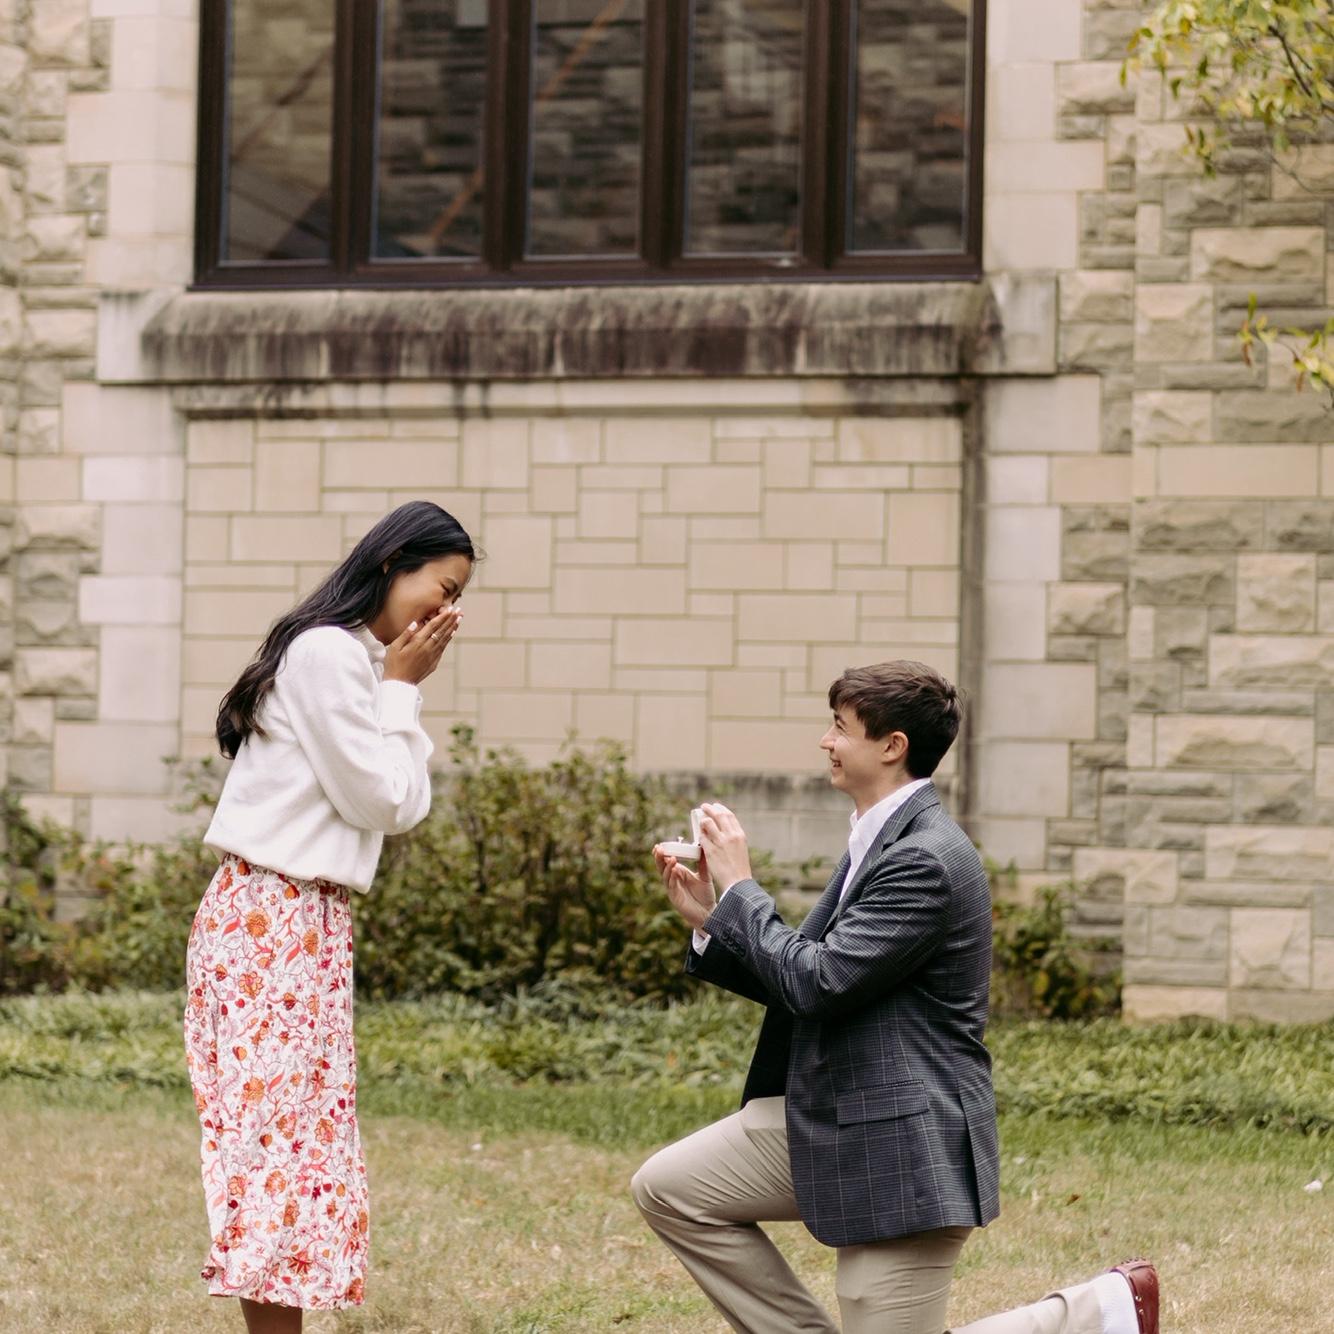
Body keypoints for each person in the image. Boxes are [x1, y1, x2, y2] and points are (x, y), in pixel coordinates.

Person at [634, 660, 1159, 1334]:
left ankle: (1096, 1314)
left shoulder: (926, 858)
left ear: (891, 746)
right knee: (671, 1188)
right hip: (833, 1111)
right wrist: (715, 920)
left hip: (906, 1142)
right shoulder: (877, 841)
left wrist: (741, 890)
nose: (826, 741)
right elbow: (817, 974)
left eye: (839, 726)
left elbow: (817, 983)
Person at [183, 500, 476, 1334]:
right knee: (278, 1150)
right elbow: (382, 797)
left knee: (298, 1150)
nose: (446, 611)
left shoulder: (361, 667)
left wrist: (397, 695)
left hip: (303, 923)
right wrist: (401, 692)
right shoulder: (327, 655)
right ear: (393, 565)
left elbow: (401, 804)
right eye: (441, 587)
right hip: (271, 917)